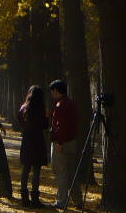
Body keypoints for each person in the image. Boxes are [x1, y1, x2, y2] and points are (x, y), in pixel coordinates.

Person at [49, 80, 81, 209]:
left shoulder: (59, 105)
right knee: (71, 172)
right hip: (72, 141)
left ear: (56, 91)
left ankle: (61, 200)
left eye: (52, 91)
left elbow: (60, 126)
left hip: (61, 142)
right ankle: (78, 200)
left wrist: (59, 142)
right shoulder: (72, 104)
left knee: (60, 172)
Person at [17, 85, 49, 208]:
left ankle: (24, 198)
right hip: (38, 140)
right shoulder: (41, 110)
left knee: (26, 169)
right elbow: (45, 125)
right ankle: (35, 199)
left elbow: (19, 120)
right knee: (36, 170)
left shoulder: (24, 108)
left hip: (27, 139)